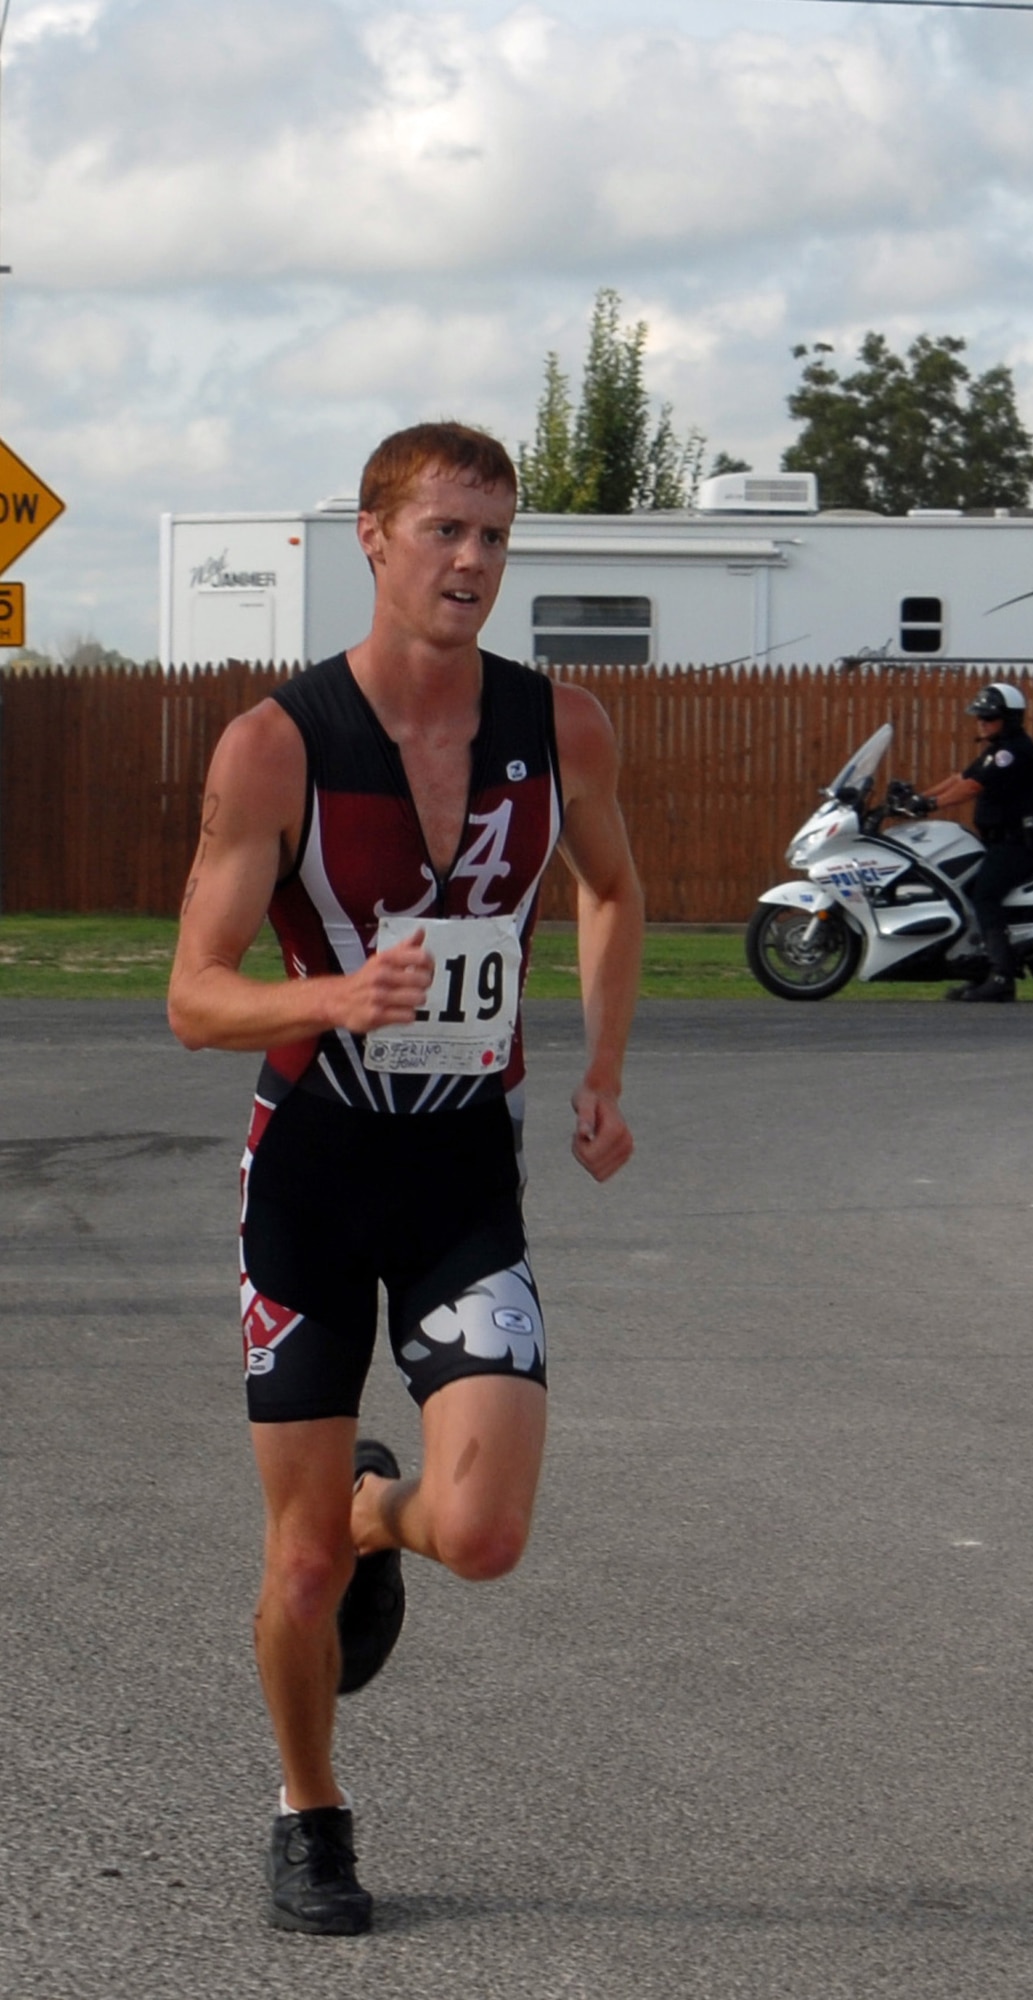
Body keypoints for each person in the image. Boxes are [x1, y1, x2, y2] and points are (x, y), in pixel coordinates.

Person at [167, 420, 644, 1936]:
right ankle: (310, 1814)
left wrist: (603, 1071)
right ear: (369, 540)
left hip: (459, 1180)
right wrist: (330, 999)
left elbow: (615, 891)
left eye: (495, 537)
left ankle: (391, 1518)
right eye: (444, 532)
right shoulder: (276, 743)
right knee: (295, 1558)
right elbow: (194, 994)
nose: (473, 563)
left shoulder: (559, 724)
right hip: (307, 1174)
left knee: (484, 1535)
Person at [919, 682, 1033, 1003]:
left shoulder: (1012, 752)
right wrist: (917, 797)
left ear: (1009, 719)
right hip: (1003, 842)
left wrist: (931, 806)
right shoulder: (996, 750)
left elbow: (970, 789)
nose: (981, 721)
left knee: (985, 895)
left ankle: (1001, 977)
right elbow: (960, 779)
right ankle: (981, 970)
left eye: (989, 717)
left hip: (1022, 844)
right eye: (979, 716)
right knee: (965, 889)